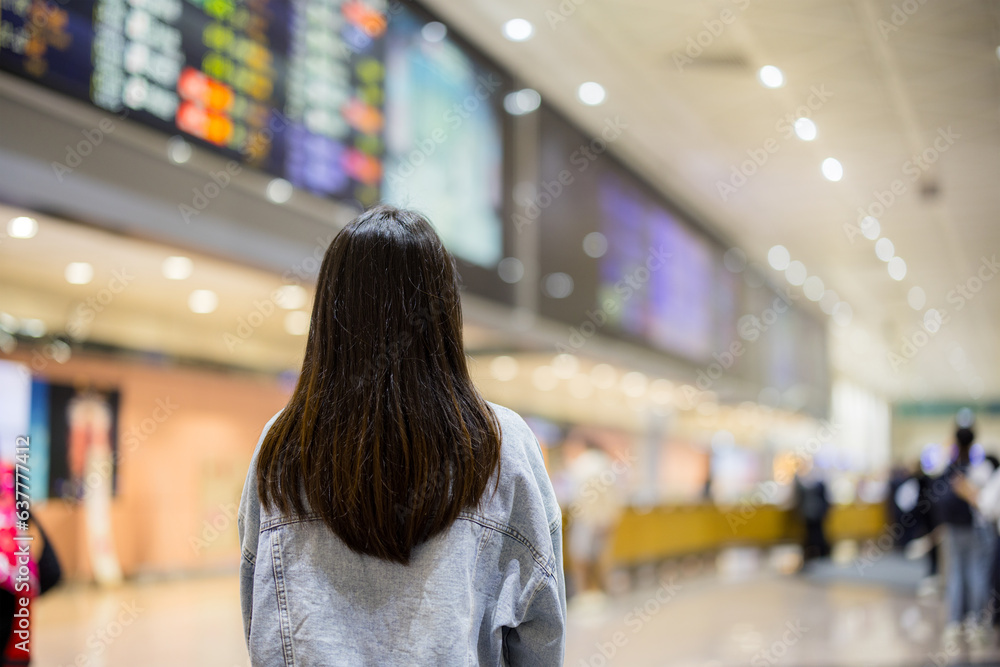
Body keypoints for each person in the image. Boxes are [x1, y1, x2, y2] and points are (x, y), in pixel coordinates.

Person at [238, 205, 566, 666]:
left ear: (329, 318)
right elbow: (540, 630)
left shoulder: (283, 447)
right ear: (444, 316)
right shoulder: (501, 446)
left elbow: (259, 613)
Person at [935, 427, 991, 644]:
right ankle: (975, 622)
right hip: (975, 527)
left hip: (953, 527)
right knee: (976, 572)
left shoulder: (951, 469)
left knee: (956, 572)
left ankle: (955, 622)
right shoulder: (980, 468)